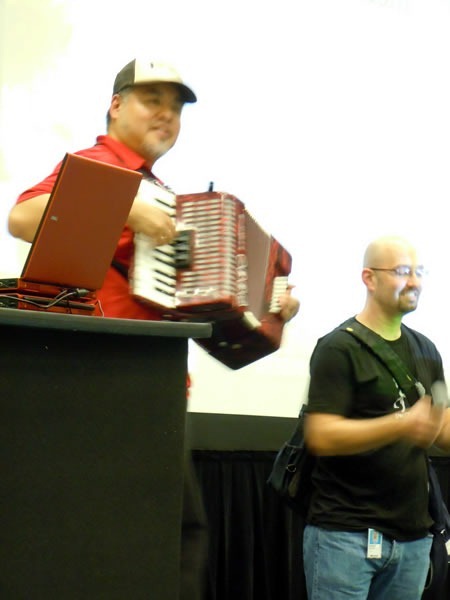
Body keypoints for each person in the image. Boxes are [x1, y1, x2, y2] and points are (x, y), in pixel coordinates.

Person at [8, 58, 300, 599]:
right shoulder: (99, 165)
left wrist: (268, 305)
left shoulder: (160, 190)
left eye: (176, 107)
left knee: (173, 537)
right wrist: (128, 209)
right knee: (139, 542)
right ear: (116, 105)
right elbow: (24, 216)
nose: (167, 116)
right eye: (152, 101)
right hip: (104, 387)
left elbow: (191, 303)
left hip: (150, 387)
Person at [303, 235, 450, 600]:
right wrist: (401, 424)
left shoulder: (426, 349)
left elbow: (441, 428)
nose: (414, 281)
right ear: (369, 278)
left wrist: (432, 426)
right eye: (402, 271)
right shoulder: (338, 348)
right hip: (346, 536)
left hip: (413, 539)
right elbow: (320, 435)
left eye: (419, 272)